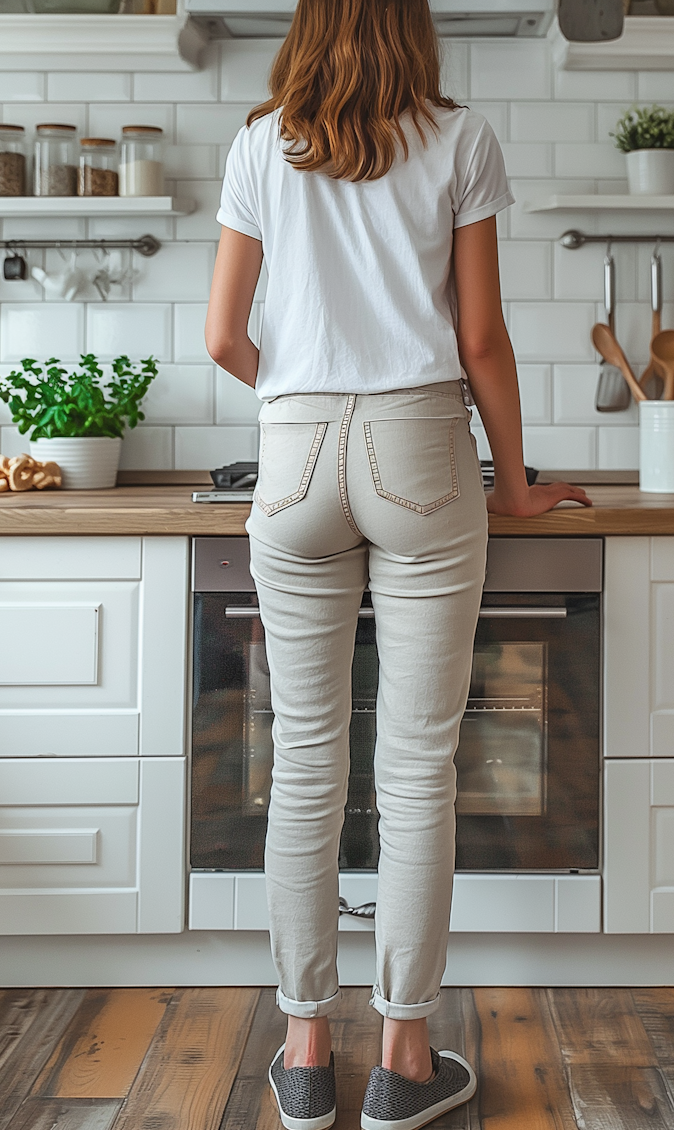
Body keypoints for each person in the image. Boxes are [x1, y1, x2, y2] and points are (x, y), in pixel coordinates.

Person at [206, 2, 591, 1126]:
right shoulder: (459, 136)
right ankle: (405, 1061)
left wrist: (306, 387)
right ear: (411, 25)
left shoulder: (257, 141)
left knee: (304, 755)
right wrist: (511, 482)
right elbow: (481, 342)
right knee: (419, 762)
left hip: (291, 450)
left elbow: (224, 336)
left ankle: (307, 1050)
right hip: (422, 446)